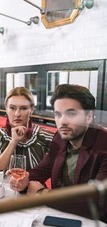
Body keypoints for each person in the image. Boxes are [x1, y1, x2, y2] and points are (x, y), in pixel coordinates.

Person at [9, 84, 107, 220]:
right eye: (58, 115)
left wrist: (42, 194)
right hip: (61, 217)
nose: (62, 122)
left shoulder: (104, 145)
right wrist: (25, 180)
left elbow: (96, 205)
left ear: (89, 117)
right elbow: (42, 170)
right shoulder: (60, 138)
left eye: (71, 114)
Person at [0, 86, 54, 172]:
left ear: (31, 110)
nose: (17, 114)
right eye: (12, 108)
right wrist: (13, 142)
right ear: (6, 109)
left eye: (23, 108)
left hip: (33, 184)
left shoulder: (43, 136)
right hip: (3, 185)